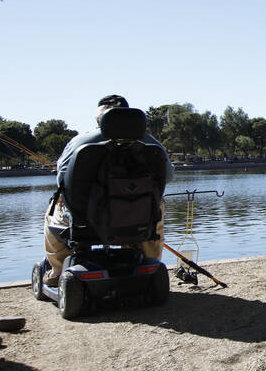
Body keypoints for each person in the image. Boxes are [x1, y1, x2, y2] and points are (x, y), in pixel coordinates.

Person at [41, 95, 174, 286]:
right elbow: (167, 177)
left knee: (54, 211)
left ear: (99, 120)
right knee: (156, 205)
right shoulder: (153, 147)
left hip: (87, 218)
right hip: (140, 216)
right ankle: (149, 264)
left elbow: (62, 182)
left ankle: (57, 273)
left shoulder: (80, 143)